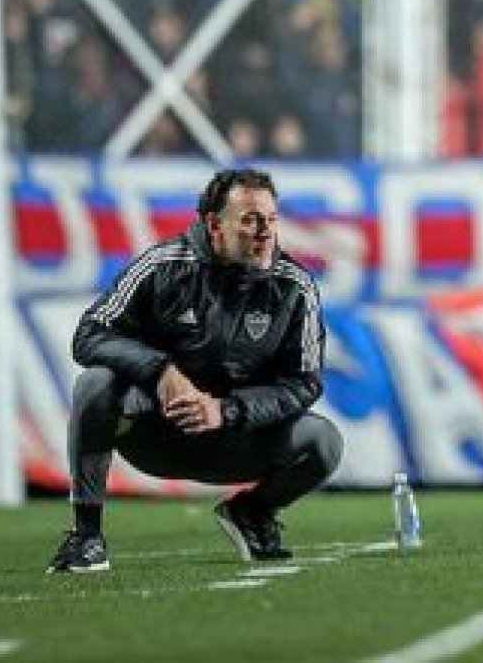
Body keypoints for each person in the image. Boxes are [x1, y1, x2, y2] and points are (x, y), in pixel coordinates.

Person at [45, 167, 342, 573]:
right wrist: (161, 372)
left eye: (271, 220)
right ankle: (86, 538)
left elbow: (304, 383)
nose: (265, 232)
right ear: (214, 225)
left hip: (238, 439)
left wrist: (228, 410)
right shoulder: (161, 265)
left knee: (323, 442)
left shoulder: (295, 286)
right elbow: (89, 335)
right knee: (94, 385)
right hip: (156, 433)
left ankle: (252, 515)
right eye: (251, 220)